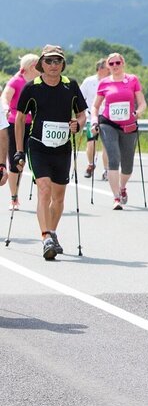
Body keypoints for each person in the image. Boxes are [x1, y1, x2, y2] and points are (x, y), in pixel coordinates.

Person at [13, 45, 87, 260]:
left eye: (58, 61)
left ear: (62, 64)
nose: (54, 65)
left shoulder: (70, 85)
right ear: (41, 64)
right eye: (49, 61)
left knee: (59, 196)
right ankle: (45, 237)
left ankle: (52, 232)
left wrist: (78, 124)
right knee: (44, 189)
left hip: (62, 149)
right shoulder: (32, 87)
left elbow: (82, 114)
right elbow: (19, 118)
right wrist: (19, 151)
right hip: (38, 147)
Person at [91, 52, 147, 210]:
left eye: (117, 63)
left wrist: (138, 113)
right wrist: (94, 120)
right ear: (108, 66)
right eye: (111, 63)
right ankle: (116, 197)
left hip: (128, 125)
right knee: (113, 158)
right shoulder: (104, 83)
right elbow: (95, 106)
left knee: (128, 164)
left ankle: (122, 186)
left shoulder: (132, 80)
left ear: (123, 64)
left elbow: (142, 103)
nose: (115, 66)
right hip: (108, 123)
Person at [2, 53, 40, 210]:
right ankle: (14, 197)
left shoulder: (38, 82)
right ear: (32, 67)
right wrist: (5, 108)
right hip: (15, 125)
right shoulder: (16, 81)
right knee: (16, 161)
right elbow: (5, 96)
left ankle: (43, 195)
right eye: (39, 66)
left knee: (36, 159)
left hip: (34, 125)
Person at [79, 58, 109, 179]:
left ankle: (107, 170)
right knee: (91, 143)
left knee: (107, 145)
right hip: (93, 116)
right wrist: (82, 113)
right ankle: (91, 164)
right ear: (100, 69)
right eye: (107, 68)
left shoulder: (111, 81)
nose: (110, 70)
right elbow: (80, 98)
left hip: (107, 117)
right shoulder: (89, 81)